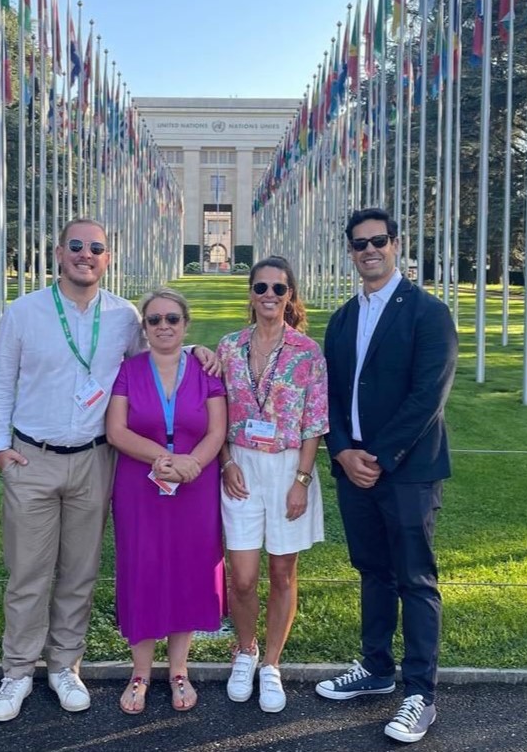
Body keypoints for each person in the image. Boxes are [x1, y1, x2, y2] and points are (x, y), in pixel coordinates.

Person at [0, 218, 217, 722]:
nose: (85, 254)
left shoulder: (124, 317)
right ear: (58, 252)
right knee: (28, 573)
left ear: (107, 257)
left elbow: (153, 366)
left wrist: (198, 353)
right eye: (75, 246)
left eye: (96, 248)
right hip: (33, 456)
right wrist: (0, 451)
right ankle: (18, 672)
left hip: (95, 459)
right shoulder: (24, 312)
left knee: (79, 572)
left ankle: (65, 666)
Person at [315, 208, 458, 745]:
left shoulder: (427, 312)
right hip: (353, 467)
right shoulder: (345, 317)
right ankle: (376, 669)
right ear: (350, 252)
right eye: (359, 244)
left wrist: (375, 456)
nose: (368, 250)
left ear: (396, 244)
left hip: (407, 471)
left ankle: (420, 694)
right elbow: (328, 395)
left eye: (377, 241)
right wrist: (344, 452)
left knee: (414, 579)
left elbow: (429, 395)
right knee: (371, 571)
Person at [105, 288, 227, 714]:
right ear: (145, 327)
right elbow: (117, 431)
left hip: (195, 486)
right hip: (141, 486)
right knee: (143, 569)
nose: (163, 327)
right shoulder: (128, 370)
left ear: (185, 324)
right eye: (154, 320)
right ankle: (139, 672)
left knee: (188, 572)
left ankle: (179, 670)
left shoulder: (206, 369)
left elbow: (217, 429)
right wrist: (162, 458)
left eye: (172, 319)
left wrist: (192, 463)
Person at [217, 256, 328, 714]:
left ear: (290, 296)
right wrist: (224, 462)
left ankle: (272, 663)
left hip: (288, 468)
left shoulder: (307, 352)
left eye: (278, 289)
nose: (268, 295)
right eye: (260, 287)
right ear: (250, 293)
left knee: (283, 573)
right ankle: (244, 650)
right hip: (241, 466)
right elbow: (214, 411)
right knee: (242, 577)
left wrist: (301, 480)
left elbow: (314, 423)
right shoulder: (227, 347)